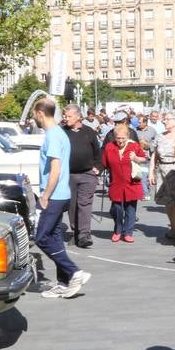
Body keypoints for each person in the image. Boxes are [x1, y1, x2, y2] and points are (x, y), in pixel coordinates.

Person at [31, 97, 91, 298]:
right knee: (55, 236)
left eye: (34, 114)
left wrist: (45, 195)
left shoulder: (54, 135)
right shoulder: (59, 133)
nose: (34, 118)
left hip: (55, 195)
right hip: (62, 193)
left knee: (42, 237)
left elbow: (55, 168)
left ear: (40, 113)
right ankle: (64, 282)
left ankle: (74, 272)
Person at [62, 105, 102, 249]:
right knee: (72, 205)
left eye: (68, 116)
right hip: (69, 175)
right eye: (64, 116)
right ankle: (75, 232)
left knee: (84, 204)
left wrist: (99, 168)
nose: (65, 118)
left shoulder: (89, 132)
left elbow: (98, 153)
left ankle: (84, 235)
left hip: (87, 174)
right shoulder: (62, 132)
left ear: (78, 116)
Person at [102, 122, 146, 243]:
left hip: (131, 182)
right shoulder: (109, 147)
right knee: (117, 209)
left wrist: (136, 158)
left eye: (123, 138)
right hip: (116, 182)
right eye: (118, 138)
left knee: (130, 209)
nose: (120, 140)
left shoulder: (134, 146)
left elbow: (143, 158)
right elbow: (105, 164)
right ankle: (117, 230)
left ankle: (128, 232)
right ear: (114, 137)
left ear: (128, 136)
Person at [151, 112, 175, 240]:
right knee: (167, 201)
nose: (164, 122)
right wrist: (151, 172)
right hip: (161, 170)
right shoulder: (160, 136)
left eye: (167, 119)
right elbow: (155, 155)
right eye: (164, 119)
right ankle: (173, 226)